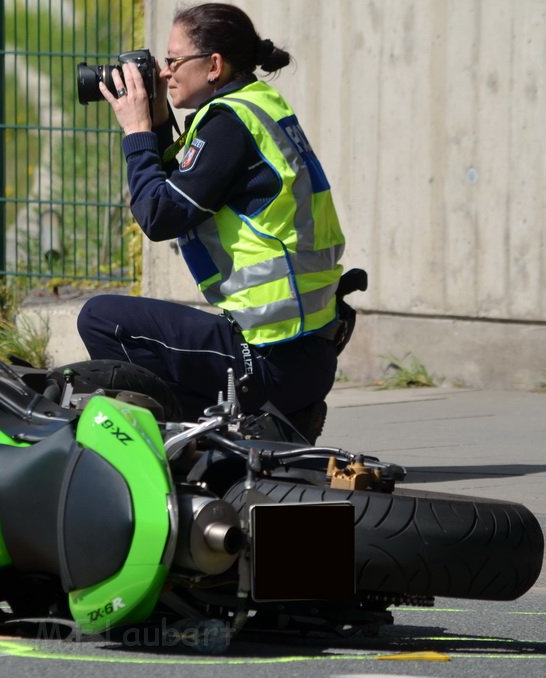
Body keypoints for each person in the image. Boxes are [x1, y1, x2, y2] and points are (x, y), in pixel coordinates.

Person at [77, 3, 346, 433]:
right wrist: (160, 123)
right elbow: (182, 192)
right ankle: (265, 424)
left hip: (271, 359)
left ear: (214, 65)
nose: (164, 74)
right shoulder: (255, 107)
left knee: (101, 319)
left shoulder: (228, 127)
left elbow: (159, 215)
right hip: (301, 352)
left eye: (173, 60)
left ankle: (189, 441)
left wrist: (137, 133)